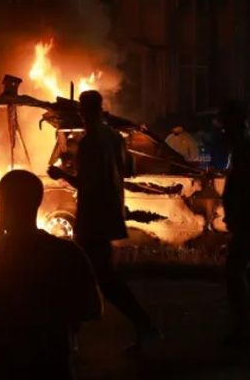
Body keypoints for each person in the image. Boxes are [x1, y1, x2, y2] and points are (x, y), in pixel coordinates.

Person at [0, 169, 102, 380]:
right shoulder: (68, 252)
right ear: (37, 202)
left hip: (2, 365)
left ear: (0, 204)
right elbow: (92, 308)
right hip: (53, 364)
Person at [48, 90, 158, 348]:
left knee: (99, 277)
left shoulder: (90, 142)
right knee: (88, 273)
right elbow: (125, 172)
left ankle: (145, 326)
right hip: (109, 214)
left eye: (82, 111)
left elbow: (87, 184)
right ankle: (70, 335)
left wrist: (60, 175)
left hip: (92, 217)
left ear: (84, 111)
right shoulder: (115, 138)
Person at [218, 101, 250, 345]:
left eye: (224, 122)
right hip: (248, 218)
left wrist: (237, 212)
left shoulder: (244, 145)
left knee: (235, 271)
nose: (222, 128)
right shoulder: (244, 143)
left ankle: (246, 329)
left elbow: (244, 185)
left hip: (247, 219)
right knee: (245, 269)